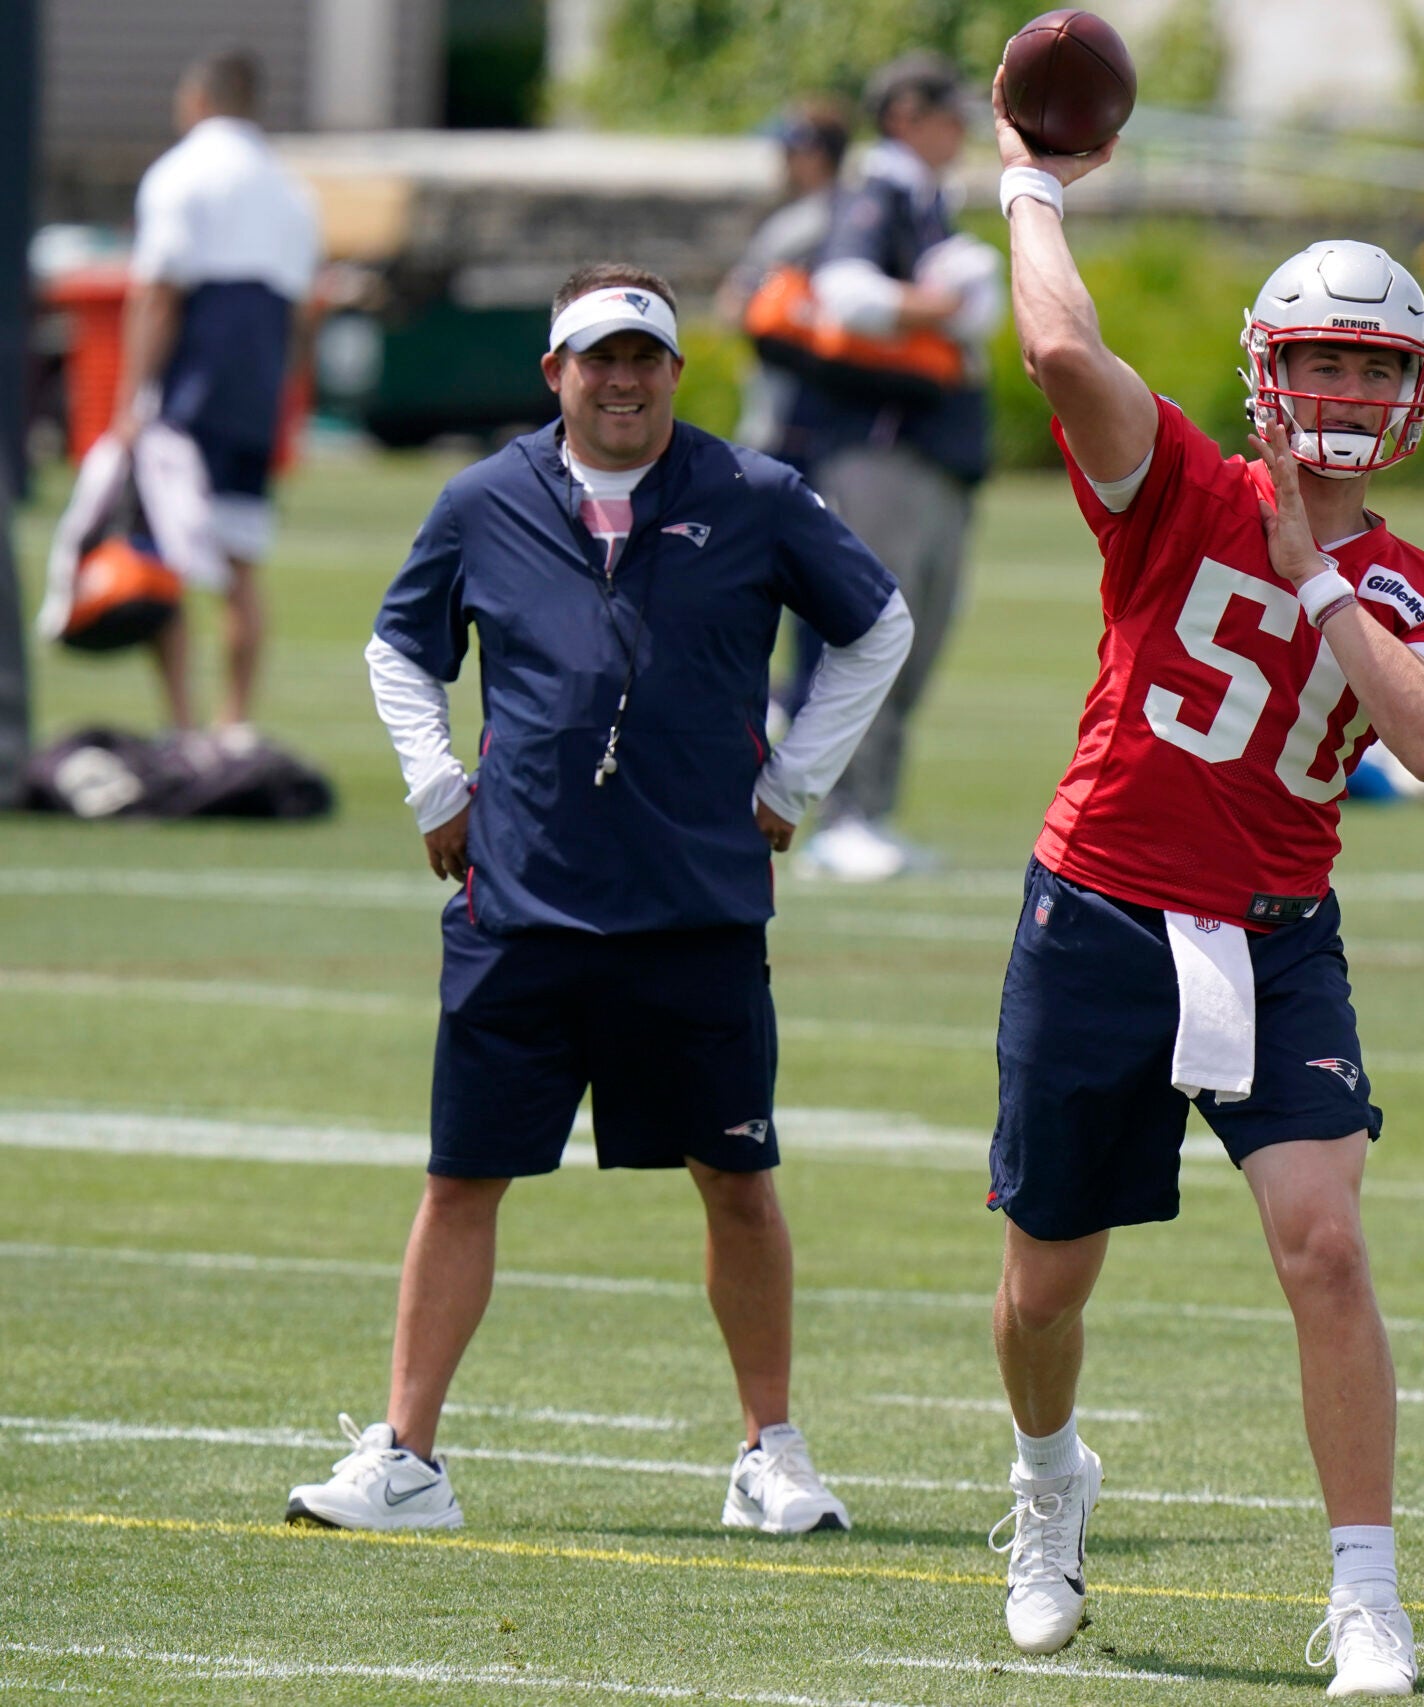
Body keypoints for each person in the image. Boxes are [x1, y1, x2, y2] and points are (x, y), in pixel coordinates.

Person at [977, 83, 1424, 1699]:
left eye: (1371, 365)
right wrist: (1028, 190)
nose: (1343, 389)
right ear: (1268, 373)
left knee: (1325, 1247)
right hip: (1106, 910)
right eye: (1321, 360)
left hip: (1279, 944)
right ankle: (1049, 1477)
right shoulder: (1181, 488)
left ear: (1410, 392)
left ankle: (1367, 1595)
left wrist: (1323, 571)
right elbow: (1066, 357)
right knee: (1043, 1282)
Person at [284, 264, 914, 1535]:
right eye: (596, 358)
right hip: (520, 903)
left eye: (643, 358)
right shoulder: (483, 500)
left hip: (695, 907)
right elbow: (399, 647)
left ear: (676, 372)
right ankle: (405, 1457)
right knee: (462, 1177)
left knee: (738, 1179)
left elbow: (877, 625)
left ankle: (770, 1453)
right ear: (554, 371)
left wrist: (797, 779)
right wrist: (432, 789)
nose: (620, 380)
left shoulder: (754, 494)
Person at [785, 52, 1002, 883]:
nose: (960, 131)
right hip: (882, 453)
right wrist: (942, 307)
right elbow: (842, 292)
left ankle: (871, 811)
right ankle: (842, 817)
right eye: (947, 114)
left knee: (919, 635)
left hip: (930, 455)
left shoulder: (924, 200)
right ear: (906, 114)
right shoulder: (880, 192)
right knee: (875, 634)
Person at [112, 46, 319, 734]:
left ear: (198, 99)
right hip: (254, 390)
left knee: (165, 557)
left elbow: (159, 294)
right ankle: (234, 725)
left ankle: (183, 722)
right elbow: (298, 316)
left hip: (190, 384)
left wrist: (130, 399)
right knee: (240, 562)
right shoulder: (290, 189)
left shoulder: (180, 174)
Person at [716, 97, 856, 468]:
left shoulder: (799, 224)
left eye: (789, 149)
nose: (782, 159)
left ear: (814, 153)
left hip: (787, 406)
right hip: (842, 409)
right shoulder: (860, 215)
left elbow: (734, 305)